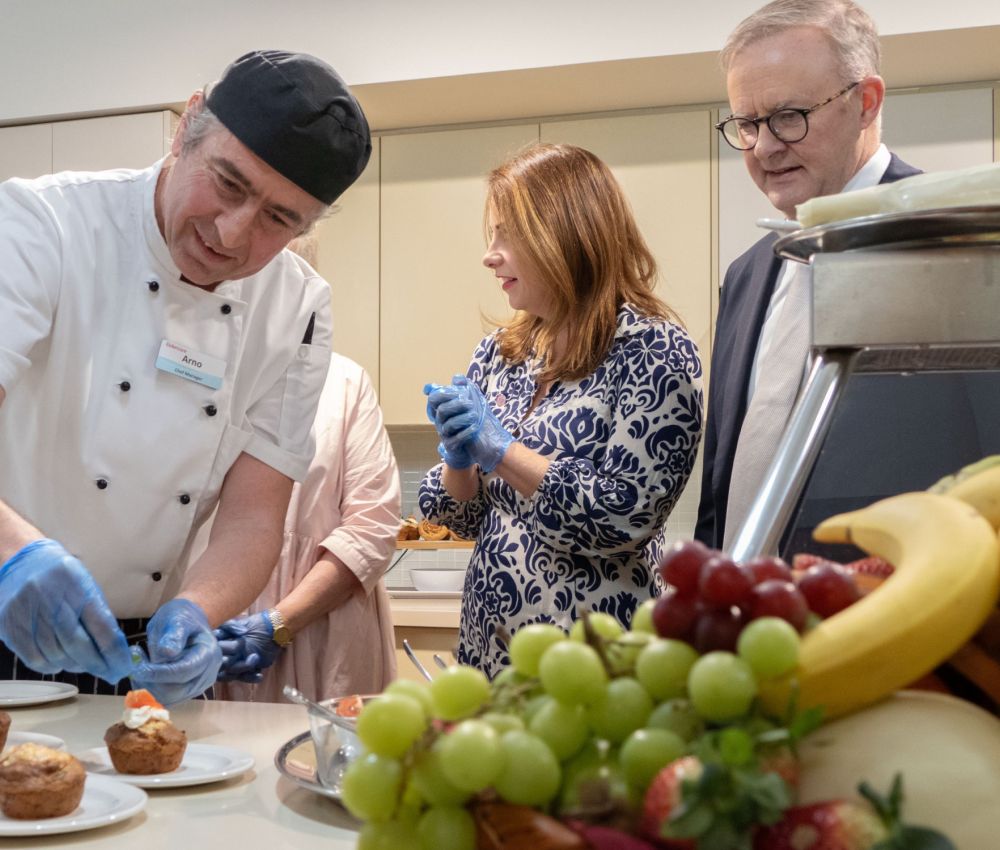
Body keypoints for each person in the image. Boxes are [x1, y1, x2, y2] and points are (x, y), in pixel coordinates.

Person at [0, 50, 371, 704]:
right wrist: (13, 553)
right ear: (187, 127)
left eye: (279, 220)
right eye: (228, 183)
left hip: (142, 659)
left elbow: (255, 516)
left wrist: (199, 609)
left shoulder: (299, 308)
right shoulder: (44, 226)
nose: (231, 235)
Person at [420, 142, 704, 678]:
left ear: (565, 234)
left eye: (508, 234)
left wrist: (502, 451)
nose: (490, 254)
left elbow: (622, 517)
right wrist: (460, 459)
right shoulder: (503, 352)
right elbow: (457, 514)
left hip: (595, 664)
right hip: (490, 651)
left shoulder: (653, 349)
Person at [695, 0, 922, 551]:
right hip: (749, 619)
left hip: (887, 606)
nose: (765, 147)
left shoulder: (943, 244)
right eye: (747, 124)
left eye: (789, 117)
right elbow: (723, 478)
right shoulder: (745, 276)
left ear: (866, 102)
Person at [212, 236, 400, 702]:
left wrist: (280, 624)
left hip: (322, 627)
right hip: (211, 629)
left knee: (325, 764)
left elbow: (372, 529)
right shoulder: (198, 374)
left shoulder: (344, 382)